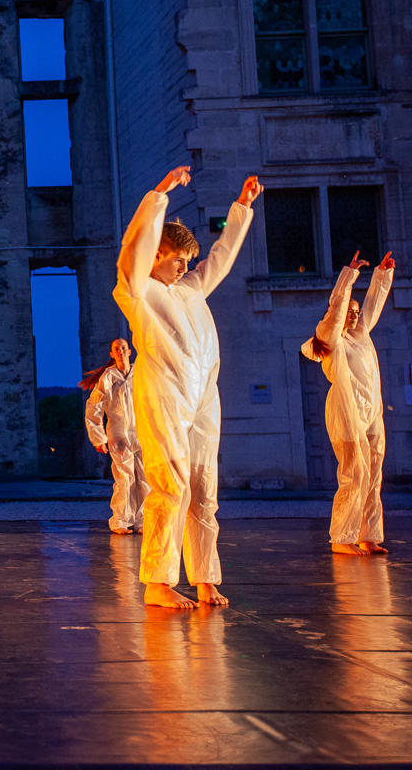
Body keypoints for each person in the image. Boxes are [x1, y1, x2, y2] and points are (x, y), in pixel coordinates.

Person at [114, 166, 262, 609]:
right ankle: (158, 582)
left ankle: (204, 578)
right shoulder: (138, 290)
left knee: (203, 489)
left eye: (187, 260)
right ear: (158, 253)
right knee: (171, 486)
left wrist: (241, 208)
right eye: (178, 258)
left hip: (203, 397)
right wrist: (160, 194)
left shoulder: (193, 288)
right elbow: (132, 250)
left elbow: (221, 258)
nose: (186, 266)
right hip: (163, 394)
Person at [302, 249, 395, 556]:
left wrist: (382, 274)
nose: (355, 315)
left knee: (373, 476)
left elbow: (373, 304)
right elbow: (337, 308)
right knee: (354, 475)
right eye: (350, 311)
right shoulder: (331, 340)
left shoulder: (362, 335)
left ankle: (368, 536)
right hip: (346, 413)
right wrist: (349, 275)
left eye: (357, 312)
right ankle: (342, 538)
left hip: (371, 413)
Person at [81, 338, 147, 535]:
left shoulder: (140, 373)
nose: (120, 351)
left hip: (141, 432)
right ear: (112, 354)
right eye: (116, 349)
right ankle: (120, 521)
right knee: (125, 477)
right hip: (118, 433)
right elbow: (94, 407)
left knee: (144, 477)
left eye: (123, 348)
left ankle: (144, 521)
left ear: (129, 351)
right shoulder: (108, 377)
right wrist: (98, 437)